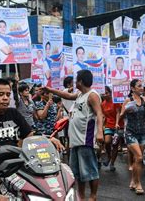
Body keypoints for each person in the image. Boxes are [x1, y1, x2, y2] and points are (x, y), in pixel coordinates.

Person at [44, 70, 104, 201]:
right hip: (75, 141)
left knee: (90, 171)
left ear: (81, 81)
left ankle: (93, 196)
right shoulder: (80, 95)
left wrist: (99, 132)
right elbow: (66, 95)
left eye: (77, 79)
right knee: (77, 173)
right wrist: (51, 90)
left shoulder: (92, 95)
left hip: (85, 140)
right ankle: (81, 196)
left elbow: (99, 114)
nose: (75, 82)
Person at [120, 79, 145, 194]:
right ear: (133, 88)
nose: (142, 88)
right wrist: (126, 111)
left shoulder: (144, 99)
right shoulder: (128, 100)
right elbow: (121, 116)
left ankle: (133, 180)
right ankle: (138, 184)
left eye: (142, 86)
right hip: (130, 133)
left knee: (137, 160)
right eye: (139, 86)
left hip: (142, 133)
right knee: (139, 158)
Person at [100, 86, 122, 172]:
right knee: (107, 142)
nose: (105, 95)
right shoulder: (102, 104)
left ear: (110, 93)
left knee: (115, 144)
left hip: (118, 125)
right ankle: (109, 156)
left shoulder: (115, 101)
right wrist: (101, 126)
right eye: (104, 93)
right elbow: (103, 116)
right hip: (108, 125)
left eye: (107, 93)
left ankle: (112, 162)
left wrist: (117, 123)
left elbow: (118, 112)